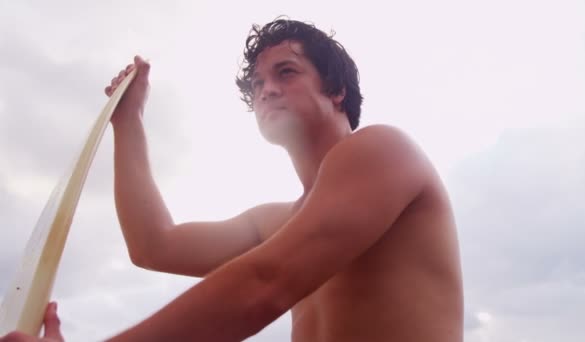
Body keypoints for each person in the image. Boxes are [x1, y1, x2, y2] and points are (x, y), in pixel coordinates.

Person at [1, 18, 463, 341]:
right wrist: (129, 122)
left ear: (337, 90)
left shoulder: (384, 150)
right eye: (258, 83)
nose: (267, 89)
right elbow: (154, 245)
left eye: (286, 72)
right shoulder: (276, 223)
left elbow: (263, 284)